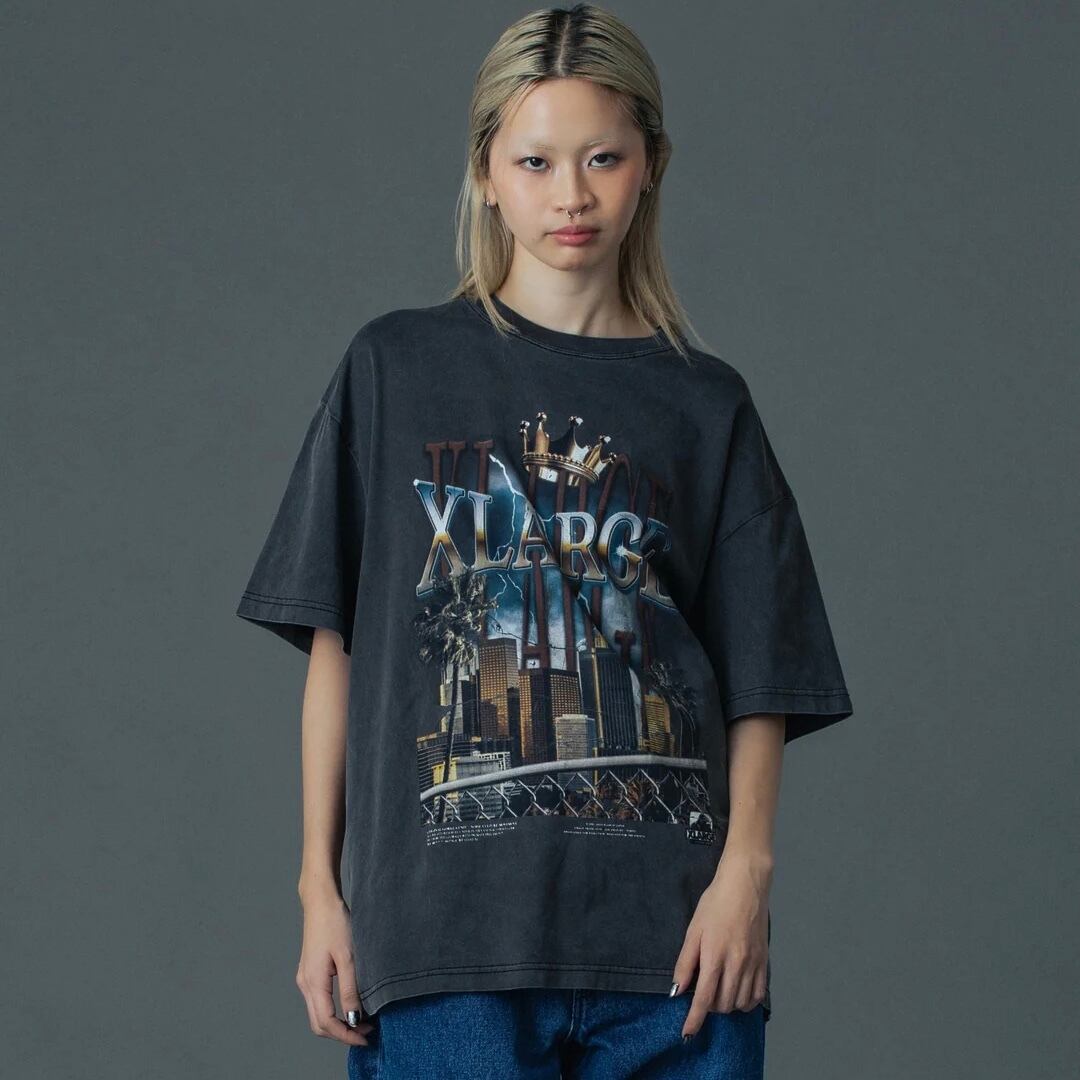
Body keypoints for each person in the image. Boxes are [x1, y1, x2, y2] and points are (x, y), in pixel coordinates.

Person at [235, 5, 854, 1077]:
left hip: (675, 951)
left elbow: (763, 672)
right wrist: (317, 891)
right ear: (485, 172)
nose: (571, 194)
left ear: (651, 166)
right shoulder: (394, 370)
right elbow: (337, 647)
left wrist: (746, 879)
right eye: (535, 161)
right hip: (445, 943)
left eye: (602, 157)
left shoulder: (706, 405)